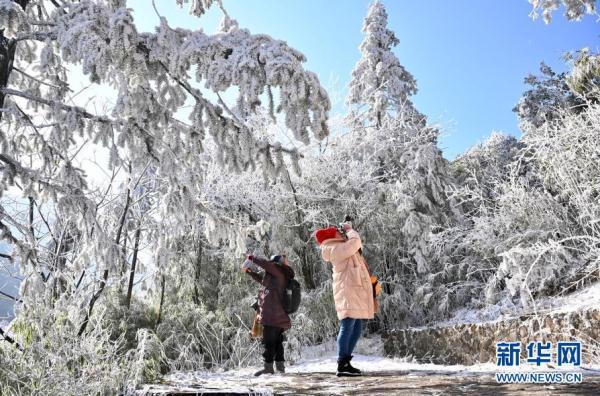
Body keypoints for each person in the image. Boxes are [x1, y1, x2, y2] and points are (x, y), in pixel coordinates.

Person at [315, 223, 375, 377]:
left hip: (354, 291)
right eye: (338, 232)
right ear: (331, 237)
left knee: (356, 328)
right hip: (347, 292)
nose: (341, 234)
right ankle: (342, 363)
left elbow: (356, 248)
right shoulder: (333, 249)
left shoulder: (342, 247)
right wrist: (350, 230)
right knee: (347, 325)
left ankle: (346, 361)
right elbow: (355, 243)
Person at [242, 253, 295, 376]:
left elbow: (266, 265)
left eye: (272, 264)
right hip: (277, 316)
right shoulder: (276, 277)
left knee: (269, 342)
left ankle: (268, 367)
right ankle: (280, 367)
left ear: (275, 264)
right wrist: (249, 271)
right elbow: (262, 280)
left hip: (273, 316)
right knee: (277, 342)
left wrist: (252, 258)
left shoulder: (278, 272)